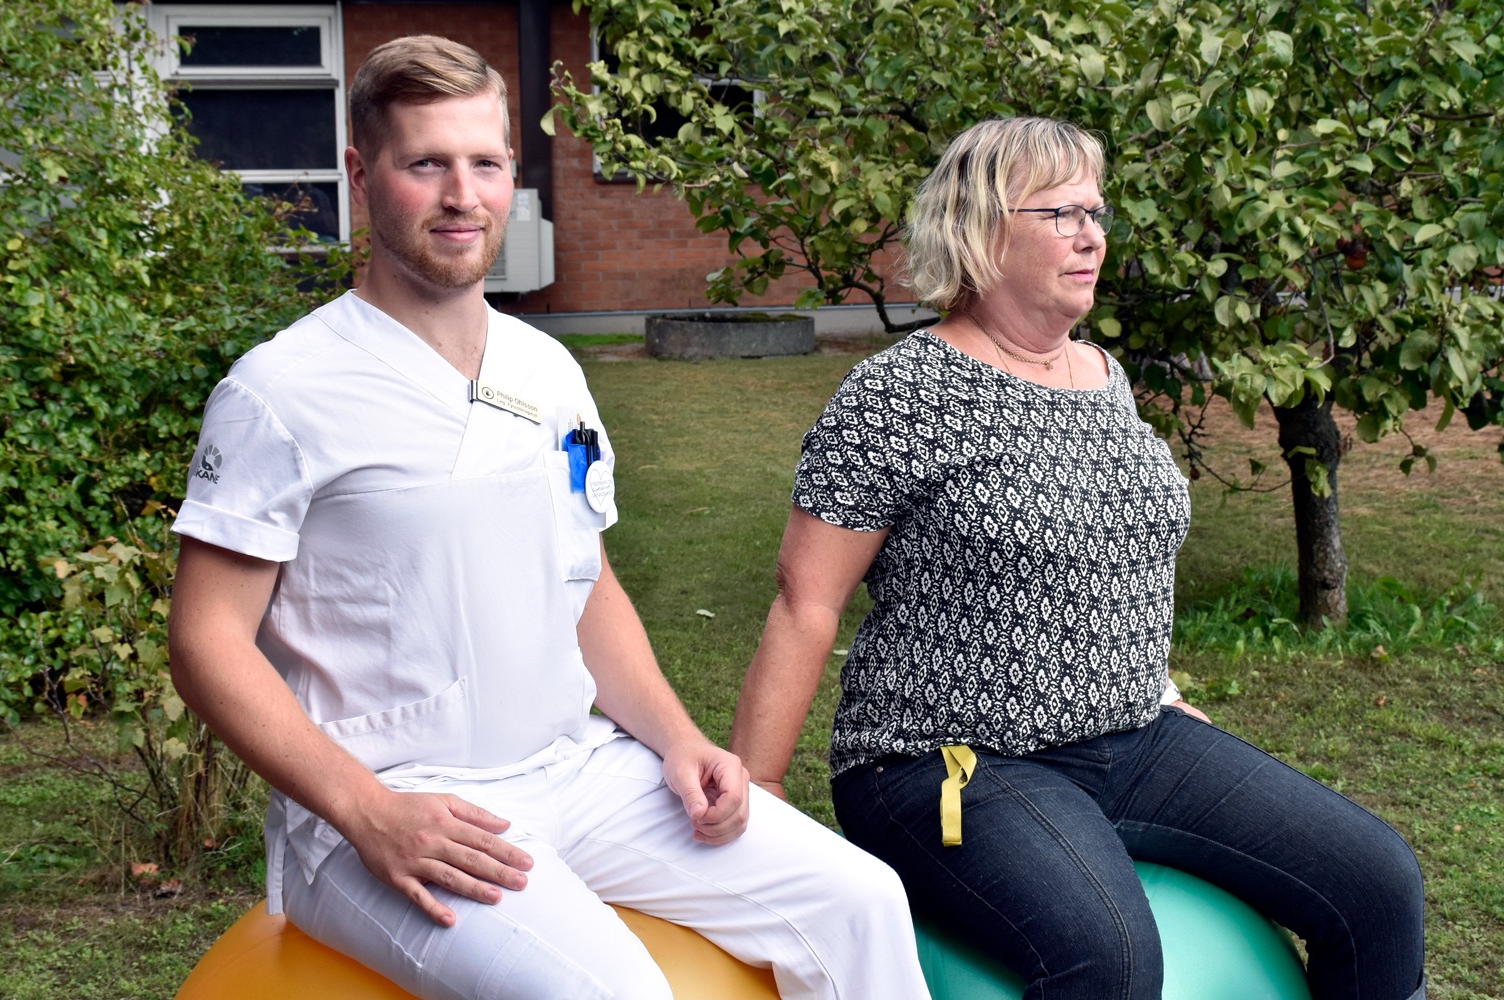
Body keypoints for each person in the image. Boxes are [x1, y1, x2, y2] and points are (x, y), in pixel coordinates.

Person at [166, 35, 930, 1000]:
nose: (461, 195)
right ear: (363, 175)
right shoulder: (282, 392)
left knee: (861, 902)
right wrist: (365, 811)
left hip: (578, 773)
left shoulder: (548, 369)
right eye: (425, 164)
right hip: (398, 806)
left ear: (511, 175)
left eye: (484, 163)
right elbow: (204, 642)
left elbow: (583, 577)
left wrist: (681, 739)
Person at [730, 116, 1428, 1000]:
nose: (1092, 234)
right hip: (948, 760)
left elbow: (1110, 550)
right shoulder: (900, 393)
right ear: (981, 233)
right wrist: (760, 792)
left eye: (1096, 211)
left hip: (1132, 734)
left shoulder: (1104, 376)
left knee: (1378, 883)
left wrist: (1153, 676)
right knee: (1114, 957)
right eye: (1060, 213)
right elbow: (806, 599)